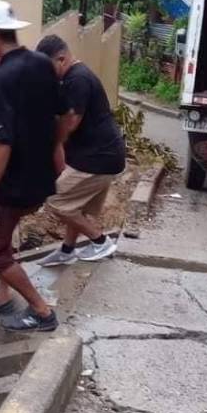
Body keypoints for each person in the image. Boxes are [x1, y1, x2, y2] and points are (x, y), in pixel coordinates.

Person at [0, 0, 64, 333]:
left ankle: (41, 312)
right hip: (40, 177)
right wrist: (56, 156)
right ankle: (1, 295)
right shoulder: (42, 63)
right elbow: (57, 116)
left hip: (14, 183)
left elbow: (3, 140)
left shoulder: (1, 78)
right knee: (3, 235)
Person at [36, 34, 126, 265]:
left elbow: (71, 121)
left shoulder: (78, 79)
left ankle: (100, 242)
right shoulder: (72, 78)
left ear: (62, 58)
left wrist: (48, 140)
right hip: (99, 154)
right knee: (78, 208)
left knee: (56, 199)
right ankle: (67, 251)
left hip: (99, 158)